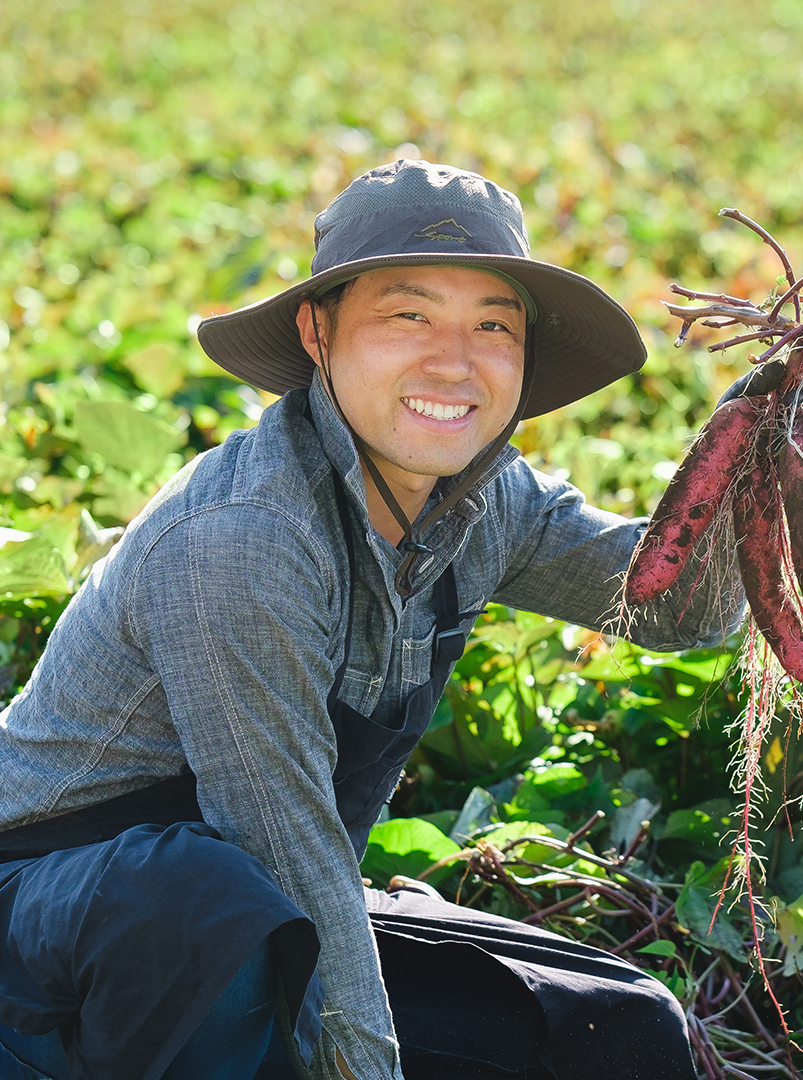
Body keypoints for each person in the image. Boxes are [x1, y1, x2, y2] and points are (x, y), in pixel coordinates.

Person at [0, 160, 744, 1080]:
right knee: (206, 904)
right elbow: (277, 832)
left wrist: (753, 453)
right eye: (409, 316)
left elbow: (681, 609)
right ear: (319, 331)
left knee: (616, 1028)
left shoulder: (494, 502)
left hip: (278, 912)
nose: (454, 361)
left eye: (492, 326)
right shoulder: (242, 538)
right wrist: (366, 1060)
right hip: (56, 923)